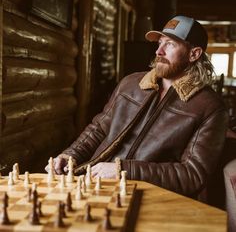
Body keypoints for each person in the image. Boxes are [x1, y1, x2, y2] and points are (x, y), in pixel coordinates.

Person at [46, 15, 228, 199]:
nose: (159, 51)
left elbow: (192, 175)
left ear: (194, 54)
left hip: (149, 197)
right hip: (96, 182)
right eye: (160, 43)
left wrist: (123, 170)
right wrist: (70, 155)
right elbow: (99, 129)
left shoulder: (210, 108)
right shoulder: (130, 83)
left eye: (170, 44)